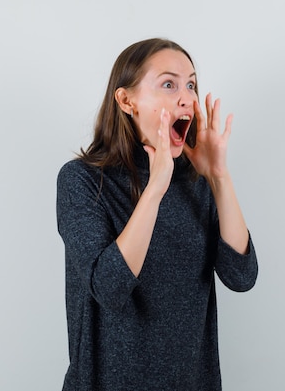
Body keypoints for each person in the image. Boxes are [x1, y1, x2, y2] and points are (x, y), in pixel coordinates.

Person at [56, 38, 258, 390]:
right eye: (169, 84)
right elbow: (110, 288)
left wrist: (219, 177)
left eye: (191, 84)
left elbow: (241, 276)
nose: (187, 98)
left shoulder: (196, 181)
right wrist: (155, 187)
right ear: (126, 100)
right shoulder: (82, 181)